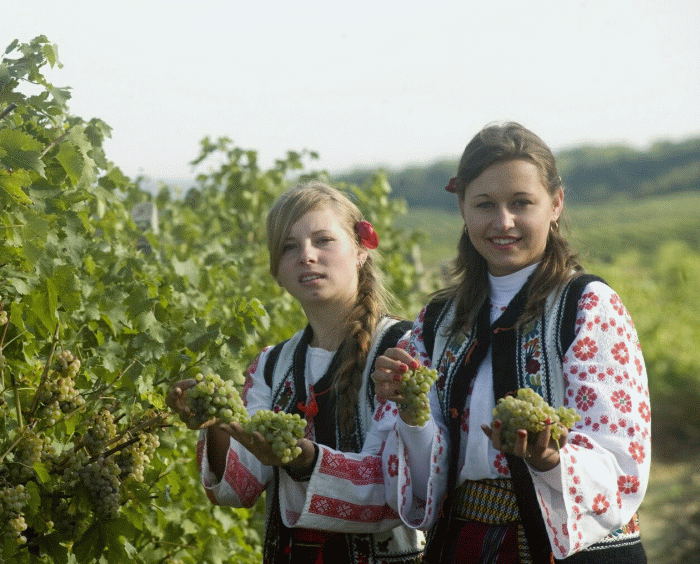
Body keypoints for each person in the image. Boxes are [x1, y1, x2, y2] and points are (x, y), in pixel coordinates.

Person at [373, 122, 650, 563]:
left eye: (522, 203)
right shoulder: (437, 321)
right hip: (465, 543)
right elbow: (428, 466)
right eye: (485, 204)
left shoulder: (588, 306)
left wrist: (551, 461)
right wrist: (411, 410)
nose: (504, 222)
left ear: (556, 203)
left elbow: (620, 453)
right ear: (463, 207)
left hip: (575, 547)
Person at [166, 182, 424, 563]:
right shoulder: (272, 365)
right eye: (289, 246)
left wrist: (306, 461)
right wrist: (216, 422)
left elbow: (402, 488)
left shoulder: (404, 349)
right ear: (277, 270)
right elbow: (238, 490)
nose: (306, 256)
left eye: (323, 241)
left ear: (360, 252)